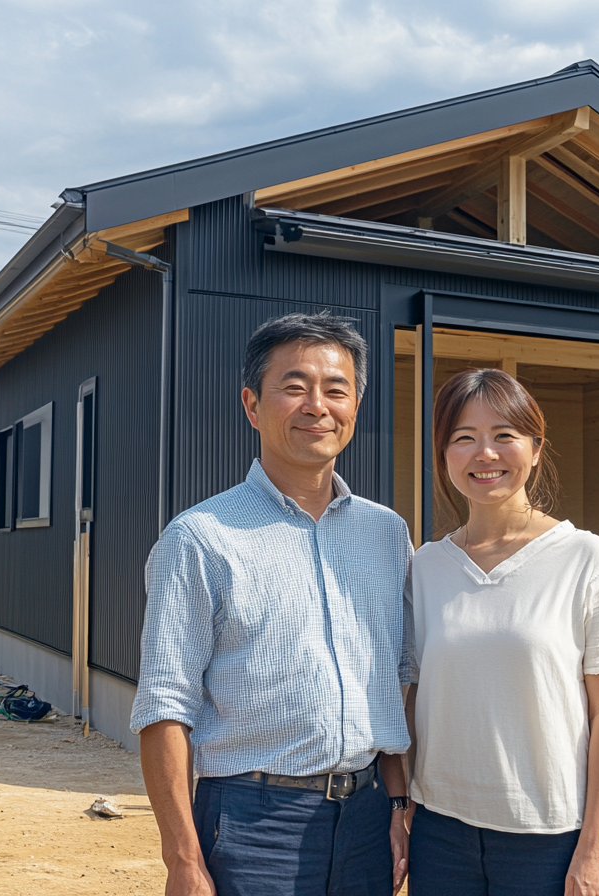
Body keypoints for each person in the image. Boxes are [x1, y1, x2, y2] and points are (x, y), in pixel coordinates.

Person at [131, 313, 416, 896]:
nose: (318, 405)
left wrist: (399, 803)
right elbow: (165, 706)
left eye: (337, 389)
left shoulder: (386, 533)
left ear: (355, 408)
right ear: (252, 405)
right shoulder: (201, 537)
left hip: (367, 819)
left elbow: (396, 680)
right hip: (251, 821)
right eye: (294, 386)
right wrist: (182, 859)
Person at [405, 368, 599, 896]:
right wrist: (402, 808)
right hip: (440, 832)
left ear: (536, 449)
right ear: (444, 455)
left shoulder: (586, 557)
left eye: (504, 436)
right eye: (463, 439)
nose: (484, 454)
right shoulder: (425, 567)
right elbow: (413, 697)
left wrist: (593, 844)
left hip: (551, 837)